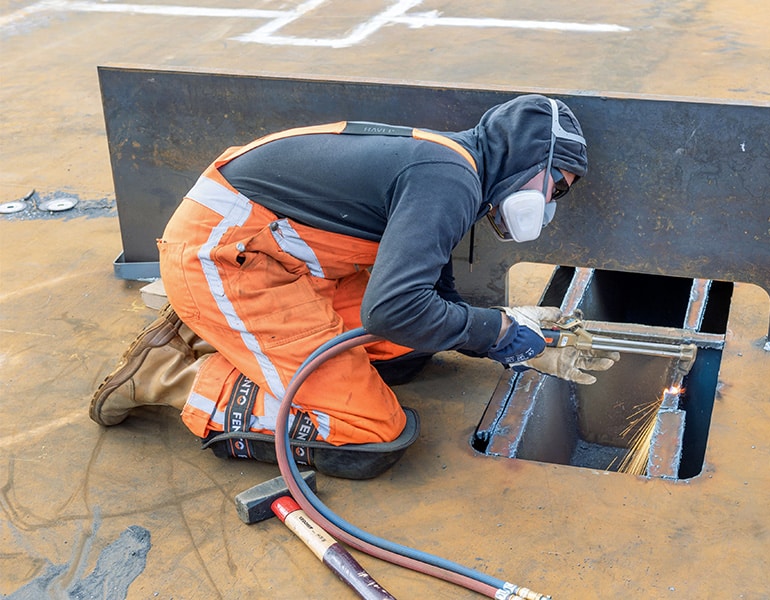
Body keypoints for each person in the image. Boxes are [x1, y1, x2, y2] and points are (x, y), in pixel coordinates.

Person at [89, 94, 619, 478]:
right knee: (369, 435)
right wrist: (498, 331)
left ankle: (225, 334)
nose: (548, 206)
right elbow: (395, 310)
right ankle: (176, 375)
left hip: (279, 263)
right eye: (553, 187)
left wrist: (512, 333)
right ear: (527, 157)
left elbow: (432, 299)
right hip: (227, 262)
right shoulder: (449, 180)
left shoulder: (452, 167)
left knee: (409, 352)